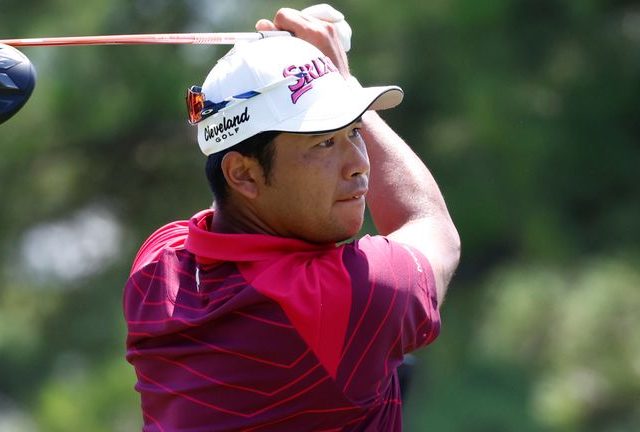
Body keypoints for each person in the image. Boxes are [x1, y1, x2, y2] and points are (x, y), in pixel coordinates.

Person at [123, 5, 460, 431]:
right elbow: (431, 226)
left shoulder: (156, 265)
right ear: (243, 173)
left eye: (354, 131)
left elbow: (225, 216)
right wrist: (344, 78)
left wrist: (307, 76)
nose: (359, 164)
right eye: (323, 143)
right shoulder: (343, 298)